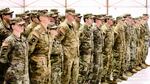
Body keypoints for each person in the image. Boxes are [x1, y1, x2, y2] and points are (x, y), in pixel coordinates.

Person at [0, 17, 29, 84]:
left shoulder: (24, 39)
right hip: (14, 76)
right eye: (19, 25)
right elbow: (2, 58)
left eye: (23, 25)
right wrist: (11, 69)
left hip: (24, 75)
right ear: (13, 26)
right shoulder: (9, 40)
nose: (22, 27)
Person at [27, 11, 52, 84]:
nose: (49, 18)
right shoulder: (37, 31)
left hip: (46, 62)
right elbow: (29, 49)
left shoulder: (47, 30)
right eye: (47, 17)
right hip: (38, 65)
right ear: (41, 18)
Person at [56, 8, 79, 84]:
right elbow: (57, 41)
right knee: (66, 77)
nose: (74, 17)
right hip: (67, 56)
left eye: (74, 15)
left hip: (74, 55)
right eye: (72, 15)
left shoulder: (73, 25)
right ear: (67, 15)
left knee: (74, 77)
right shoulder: (63, 26)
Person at [78, 13, 94, 84]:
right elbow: (78, 42)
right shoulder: (82, 29)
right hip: (84, 55)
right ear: (86, 19)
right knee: (83, 71)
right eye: (91, 18)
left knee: (89, 70)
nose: (92, 20)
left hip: (89, 54)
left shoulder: (90, 28)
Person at [0, 7, 13, 84]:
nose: (10, 16)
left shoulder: (8, 24)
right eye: (8, 14)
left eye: (11, 14)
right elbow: (10, 37)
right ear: (3, 16)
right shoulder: (1, 27)